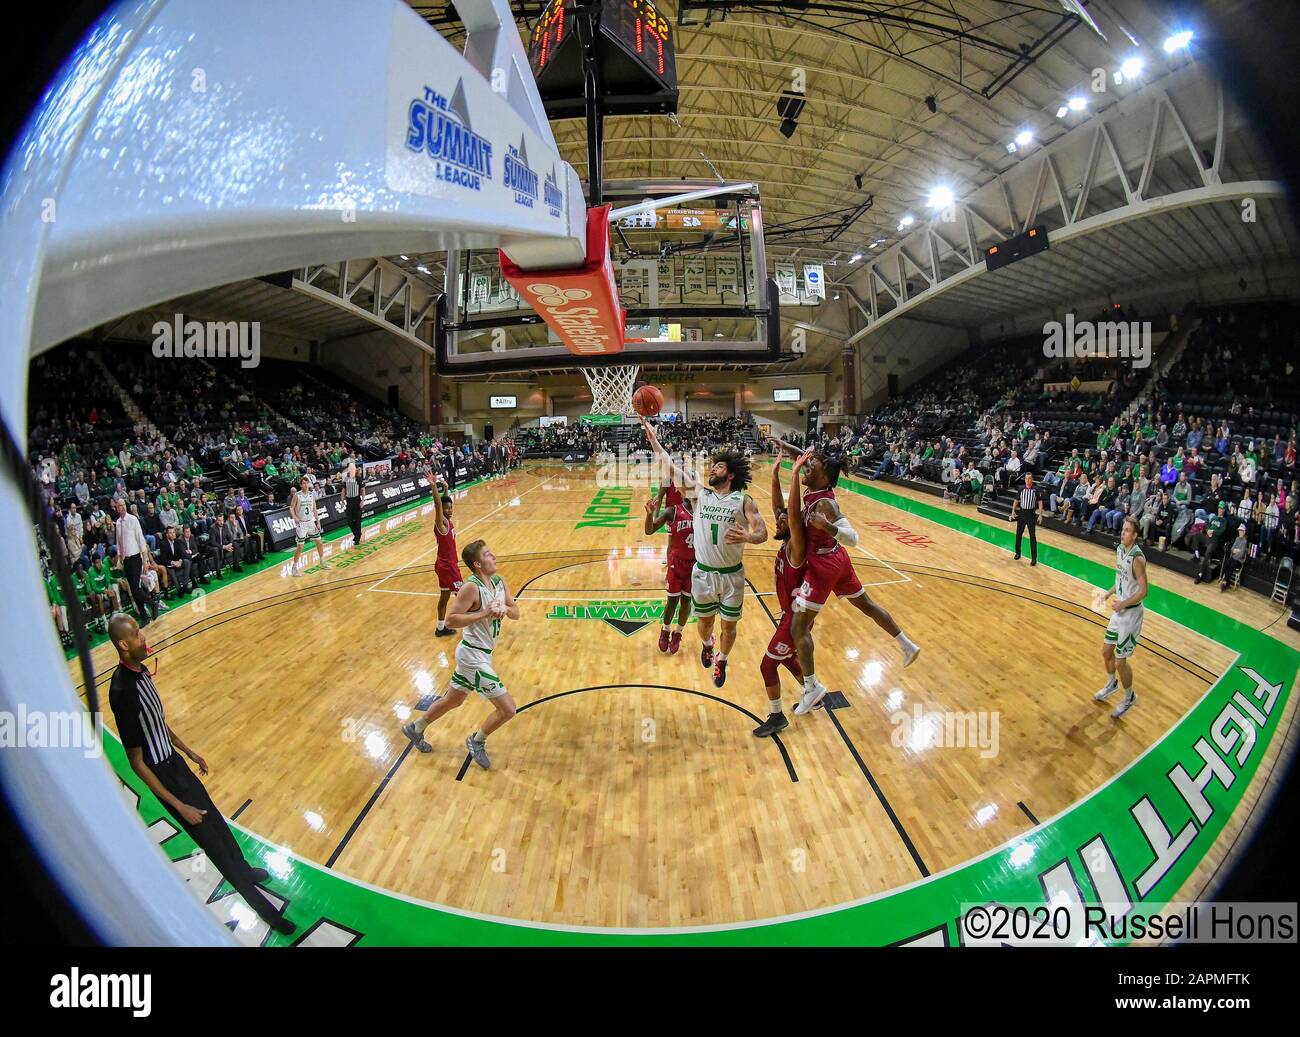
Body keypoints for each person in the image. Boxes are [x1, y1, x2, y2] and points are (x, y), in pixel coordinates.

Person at [106, 613, 295, 935]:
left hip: (176, 764)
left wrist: (188, 751)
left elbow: (157, 722)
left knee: (218, 824)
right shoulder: (122, 691)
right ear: (123, 644)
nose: (144, 636)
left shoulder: (142, 673)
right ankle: (266, 913)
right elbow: (137, 762)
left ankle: (246, 871)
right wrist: (179, 806)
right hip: (163, 776)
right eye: (137, 634)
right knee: (214, 846)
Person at [786, 447, 920, 715]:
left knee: (798, 628)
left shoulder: (826, 504)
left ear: (824, 474)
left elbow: (854, 537)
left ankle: (811, 687)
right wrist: (787, 449)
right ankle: (907, 645)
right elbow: (805, 458)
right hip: (838, 561)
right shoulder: (818, 486)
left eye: (813, 464)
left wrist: (828, 527)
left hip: (823, 565)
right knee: (867, 606)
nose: (807, 466)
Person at [639, 416, 767, 688]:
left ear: (730, 474)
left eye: (718, 466)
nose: (712, 469)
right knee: (706, 625)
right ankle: (707, 644)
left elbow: (762, 532)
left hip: (732, 576)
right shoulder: (700, 495)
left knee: (730, 627)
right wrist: (653, 440)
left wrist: (749, 536)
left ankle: (722, 660)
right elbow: (671, 469)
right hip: (703, 574)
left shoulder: (743, 501)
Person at [400, 540, 519, 769]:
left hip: (482, 654)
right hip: (472, 656)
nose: (493, 555)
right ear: (477, 564)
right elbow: (452, 619)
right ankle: (477, 740)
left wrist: (505, 609)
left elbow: (516, 613)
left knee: (453, 700)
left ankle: (416, 728)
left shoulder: (499, 582)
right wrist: (484, 613)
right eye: (487, 554)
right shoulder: (471, 588)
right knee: (508, 709)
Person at [751, 452, 807, 737]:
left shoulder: (797, 548)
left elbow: (792, 515)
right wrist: (774, 475)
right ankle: (812, 692)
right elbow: (779, 509)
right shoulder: (785, 539)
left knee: (767, 664)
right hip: (791, 615)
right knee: (785, 658)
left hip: (795, 619)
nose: (778, 521)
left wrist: (795, 475)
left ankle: (777, 716)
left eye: (783, 521)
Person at [1093, 517, 1147, 719]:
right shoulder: (1120, 551)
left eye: (1127, 531)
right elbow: (1121, 581)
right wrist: (1108, 594)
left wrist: (1123, 604)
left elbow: (1144, 591)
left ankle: (1129, 697)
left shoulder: (1137, 559)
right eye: (1122, 529)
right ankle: (1112, 683)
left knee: (1120, 662)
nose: (1122, 533)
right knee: (1106, 652)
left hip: (1131, 614)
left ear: (1134, 535)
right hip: (1119, 611)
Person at [643, 480, 694, 655]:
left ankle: (678, 633)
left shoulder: (704, 512)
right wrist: (650, 514)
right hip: (676, 563)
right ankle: (665, 630)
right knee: (672, 601)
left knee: (686, 602)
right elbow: (649, 531)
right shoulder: (672, 511)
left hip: (695, 565)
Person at [429, 469, 462, 637]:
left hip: (443, 564)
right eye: (447, 509)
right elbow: (438, 504)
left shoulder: (447, 522)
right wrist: (434, 486)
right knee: (463, 596)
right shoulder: (441, 524)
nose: (450, 510)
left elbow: (443, 502)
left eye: (451, 508)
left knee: (444, 597)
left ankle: (440, 628)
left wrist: (446, 489)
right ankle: (475, 628)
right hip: (448, 565)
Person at [114, 499, 154, 626]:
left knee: (136, 589)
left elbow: (140, 539)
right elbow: (118, 542)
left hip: (136, 557)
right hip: (126, 560)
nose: (122, 507)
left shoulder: (132, 519)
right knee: (133, 589)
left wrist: (146, 559)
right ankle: (144, 617)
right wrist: (120, 560)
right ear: (117, 508)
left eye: (124, 505)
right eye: (120, 506)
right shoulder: (118, 523)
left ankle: (153, 604)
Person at [289, 474, 329, 576]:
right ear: (301, 485)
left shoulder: (311, 495)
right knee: (300, 546)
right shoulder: (297, 495)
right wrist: (295, 517)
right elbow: (291, 507)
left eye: (306, 483)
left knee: (319, 542)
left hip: (310, 522)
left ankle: (322, 561)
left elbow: (314, 509)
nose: (305, 485)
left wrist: (318, 521)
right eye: (303, 483)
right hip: (301, 523)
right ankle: (294, 568)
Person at [1011, 472, 1043, 565]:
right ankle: (1017, 553)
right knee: (1018, 534)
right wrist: (1013, 511)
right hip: (1021, 513)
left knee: (1032, 536)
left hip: (1031, 514)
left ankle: (1034, 558)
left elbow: (1040, 502)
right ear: (1024, 479)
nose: (1027, 480)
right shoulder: (1021, 489)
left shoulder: (1036, 489)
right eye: (1026, 478)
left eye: (1029, 478)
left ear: (1032, 479)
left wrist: (1040, 515)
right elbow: (1016, 500)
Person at [342, 460, 363, 548]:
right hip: (349, 501)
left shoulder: (358, 478)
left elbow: (363, 489)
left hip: (357, 500)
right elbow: (343, 490)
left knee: (357, 520)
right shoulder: (345, 478)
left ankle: (357, 538)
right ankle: (357, 533)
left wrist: (363, 500)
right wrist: (342, 499)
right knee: (349, 520)